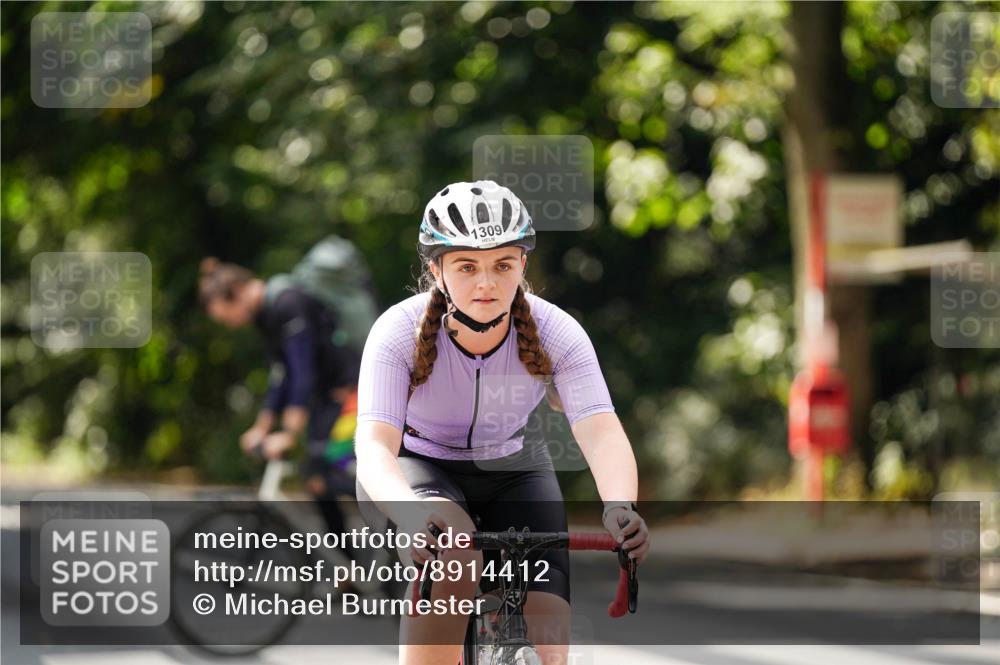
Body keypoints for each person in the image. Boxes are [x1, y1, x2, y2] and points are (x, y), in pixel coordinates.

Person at [354, 180, 649, 665]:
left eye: (502, 265)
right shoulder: (395, 332)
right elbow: (374, 447)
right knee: (454, 555)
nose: (486, 283)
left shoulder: (557, 331)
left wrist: (620, 507)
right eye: (467, 266)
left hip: (513, 466)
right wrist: (407, 515)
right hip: (419, 469)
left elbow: (599, 429)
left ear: (522, 266)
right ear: (437, 270)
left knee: (552, 641)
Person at [199, 258, 361, 560]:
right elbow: (281, 377)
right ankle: (348, 569)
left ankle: (405, 523)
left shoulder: (289, 302)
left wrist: (288, 432)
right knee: (316, 480)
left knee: (330, 470)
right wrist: (261, 428)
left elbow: (303, 372)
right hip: (326, 400)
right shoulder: (267, 316)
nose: (231, 324)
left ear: (237, 291)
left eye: (227, 316)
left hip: (351, 395)